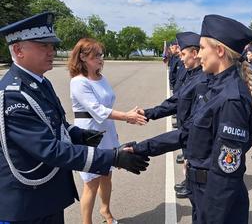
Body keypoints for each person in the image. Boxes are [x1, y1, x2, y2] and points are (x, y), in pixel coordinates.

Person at [0, 12, 149, 224]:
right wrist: (112, 157)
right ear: (18, 50)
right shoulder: (13, 94)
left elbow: (57, 124)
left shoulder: (40, 83)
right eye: (44, 46)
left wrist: (80, 135)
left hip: (46, 196)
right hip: (25, 204)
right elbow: (47, 148)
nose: (52, 51)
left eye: (52, 45)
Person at [125, 14, 252, 223]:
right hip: (201, 191)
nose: (199, 55)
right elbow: (187, 133)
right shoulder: (214, 88)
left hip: (216, 201)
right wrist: (141, 148)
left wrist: (211, 216)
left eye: (203, 48)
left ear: (220, 51)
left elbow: (226, 172)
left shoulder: (231, 99)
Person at [68, 38, 147, 224]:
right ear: (83, 57)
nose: (100, 59)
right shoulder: (79, 82)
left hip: (107, 131)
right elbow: (97, 110)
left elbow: (108, 104)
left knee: (107, 175)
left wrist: (122, 122)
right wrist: (127, 116)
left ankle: (106, 211)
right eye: (96, 55)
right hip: (89, 134)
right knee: (91, 183)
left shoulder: (101, 78)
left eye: (101, 55)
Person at [137, 31, 208, 199]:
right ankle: (190, 185)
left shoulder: (203, 80)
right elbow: (175, 102)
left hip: (193, 137)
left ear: (195, 53)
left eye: (183, 54)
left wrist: (145, 147)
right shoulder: (193, 76)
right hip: (186, 133)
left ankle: (191, 186)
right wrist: (148, 113)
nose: (181, 58)